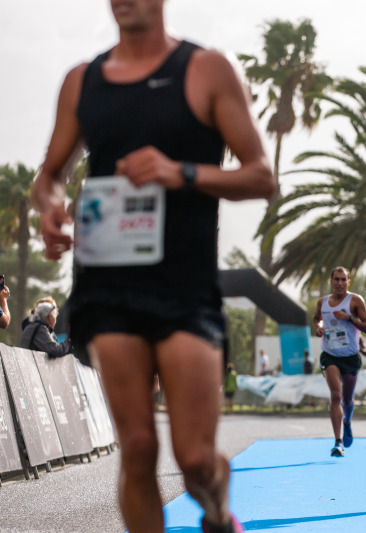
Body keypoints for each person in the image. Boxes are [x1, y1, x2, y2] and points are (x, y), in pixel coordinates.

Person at [30, 2, 275, 531]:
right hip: (108, 285)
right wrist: (50, 208)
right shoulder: (82, 81)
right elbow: (48, 174)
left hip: (185, 288)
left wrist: (179, 172)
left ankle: (216, 510)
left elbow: (261, 176)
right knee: (138, 448)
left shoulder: (206, 69)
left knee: (193, 461)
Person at [312, 266, 366, 457]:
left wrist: (349, 318)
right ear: (331, 281)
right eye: (336, 279)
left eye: (343, 280)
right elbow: (317, 319)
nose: (340, 283)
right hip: (330, 354)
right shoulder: (322, 302)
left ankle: (347, 421)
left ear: (348, 282)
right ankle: (338, 441)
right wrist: (319, 327)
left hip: (350, 356)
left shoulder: (355, 301)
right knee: (336, 396)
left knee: (347, 400)